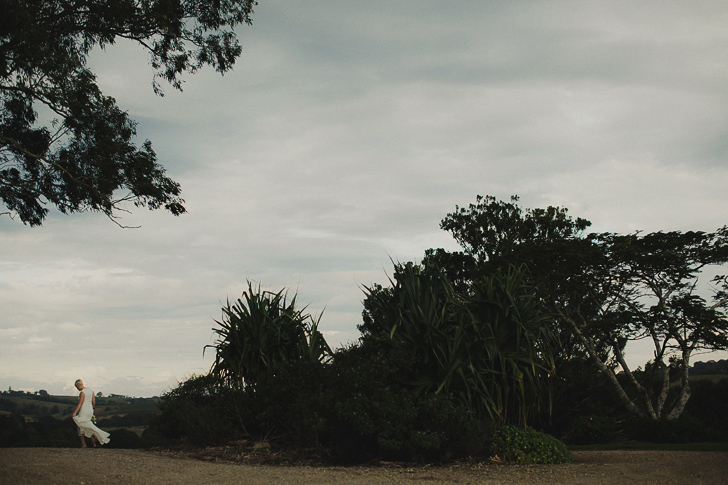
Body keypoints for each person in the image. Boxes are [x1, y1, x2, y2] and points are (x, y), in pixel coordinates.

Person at [71, 379, 110, 448]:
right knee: (86, 425)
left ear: (78, 385)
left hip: (84, 409)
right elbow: (93, 401)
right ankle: (93, 442)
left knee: (80, 425)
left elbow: (80, 403)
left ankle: (84, 444)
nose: (77, 389)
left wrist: (75, 412)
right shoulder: (90, 391)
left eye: (77, 387)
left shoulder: (82, 393)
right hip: (90, 409)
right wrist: (93, 408)